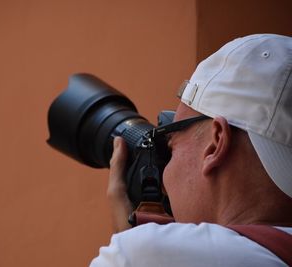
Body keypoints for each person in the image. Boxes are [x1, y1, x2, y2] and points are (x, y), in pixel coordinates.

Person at [89, 34, 292, 266]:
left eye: (170, 142)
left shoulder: (143, 254)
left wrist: (131, 244)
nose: (164, 178)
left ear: (216, 143)